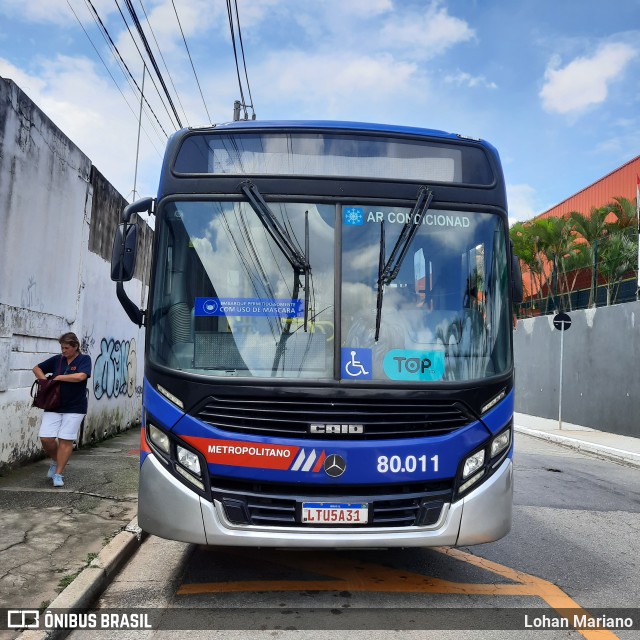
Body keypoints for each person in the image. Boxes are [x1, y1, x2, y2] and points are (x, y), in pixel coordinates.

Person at [32, 332, 92, 487]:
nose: (63, 351)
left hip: (75, 407)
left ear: (75, 346)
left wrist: (58, 378)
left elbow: (80, 376)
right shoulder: (58, 360)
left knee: (66, 439)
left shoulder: (84, 359)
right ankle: (57, 460)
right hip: (53, 404)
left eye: (66, 348)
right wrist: (45, 381)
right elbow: (37, 368)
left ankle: (58, 474)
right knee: (46, 438)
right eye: (62, 347)